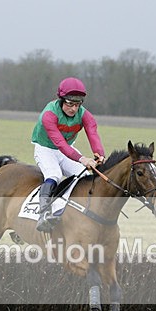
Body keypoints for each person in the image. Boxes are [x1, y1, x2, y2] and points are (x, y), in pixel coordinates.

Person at [31, 77, 106, 232]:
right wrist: (82, 158)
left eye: (77, 104)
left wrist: (99, 154)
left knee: (84, 175)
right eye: (70, 104)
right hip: (46, 149)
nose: (73, 109)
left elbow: (92, 133)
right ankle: (43, 214)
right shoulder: (49, 114)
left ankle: (64, 209)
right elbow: (60, 143)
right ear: (61, 100)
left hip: (67, 150)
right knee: (54, 175)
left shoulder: (84, 115)